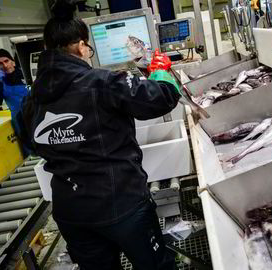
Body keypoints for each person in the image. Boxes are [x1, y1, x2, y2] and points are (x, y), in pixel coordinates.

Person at [18, 1, 180, 269]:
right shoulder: (103, 82)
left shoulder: (31, 100)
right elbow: (162, 99)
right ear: (82, 46)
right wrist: (161, 73)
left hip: (71, 213)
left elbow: (32, 146)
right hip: (122, 204)